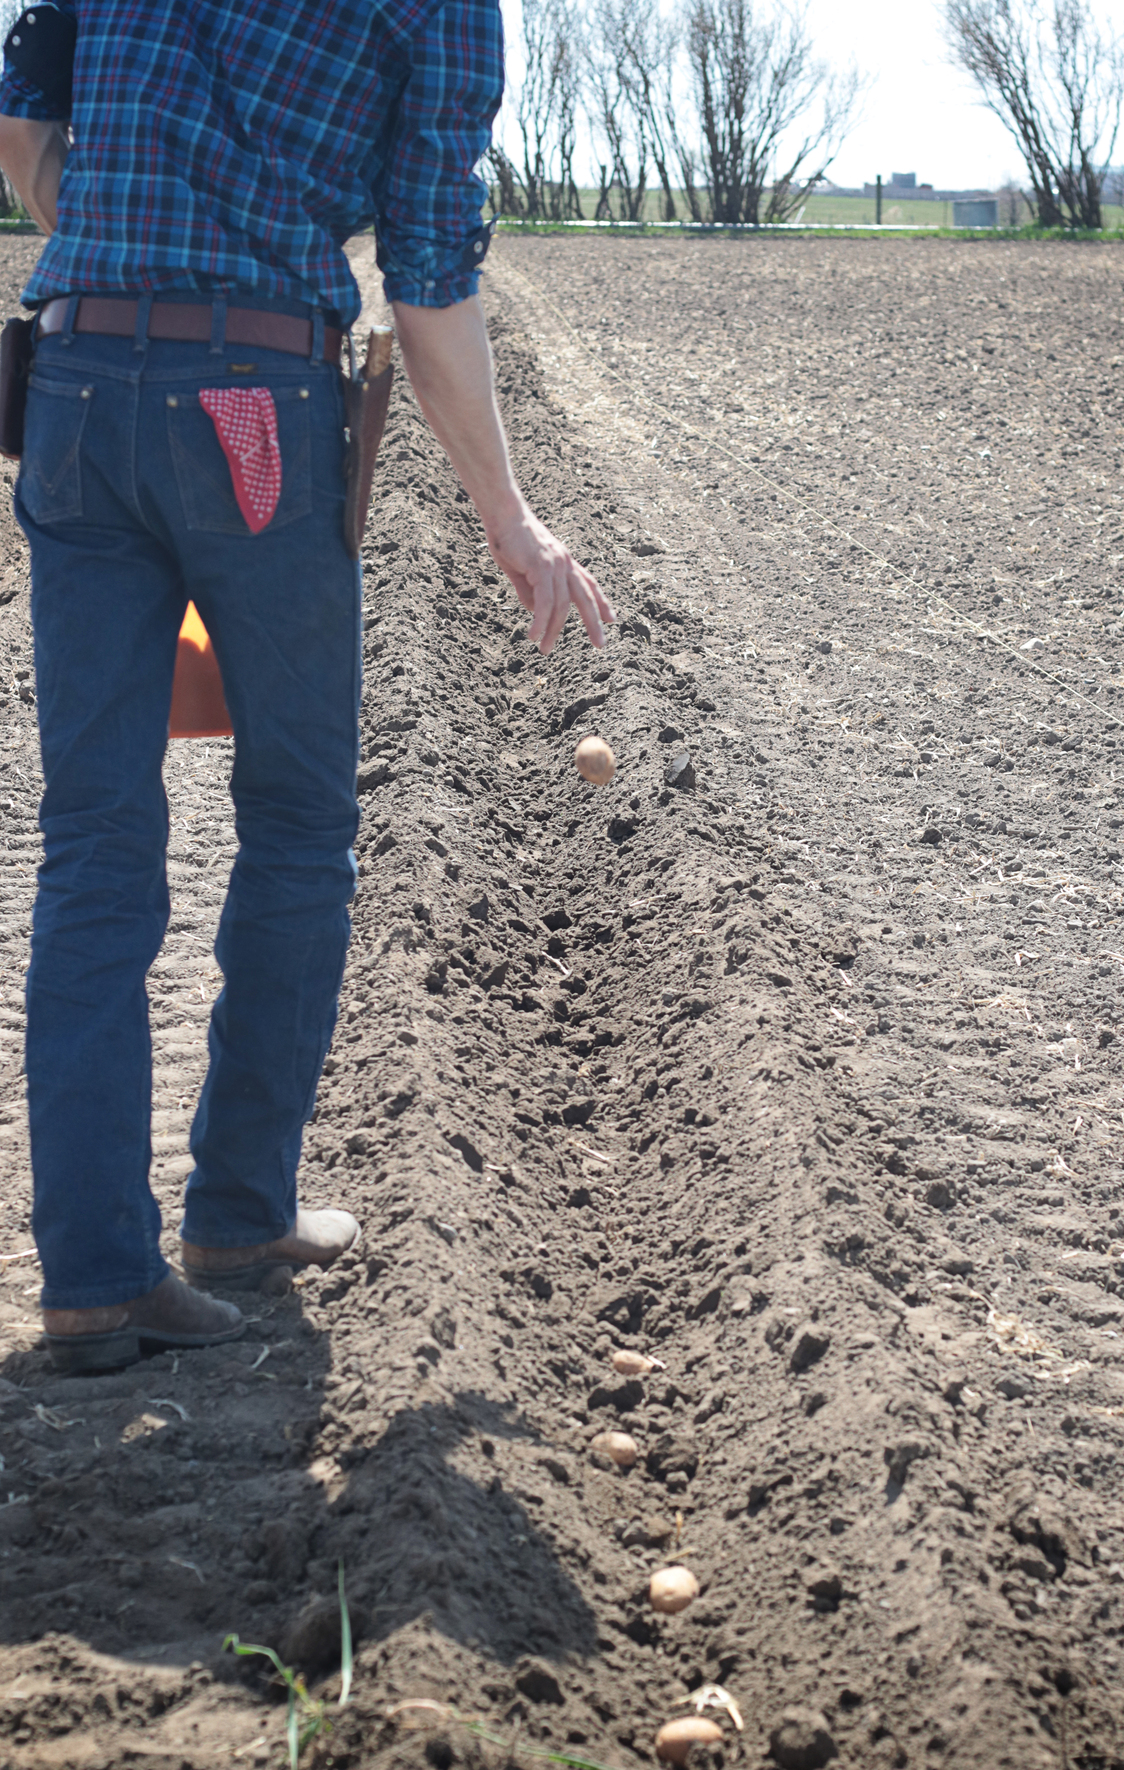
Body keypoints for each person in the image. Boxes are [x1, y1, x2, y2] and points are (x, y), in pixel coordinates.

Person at [0, 0, 612, 1375]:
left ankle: (93, 1279)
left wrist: (117, 228)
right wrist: (512, 523)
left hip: (75, 390)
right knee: (297, 819)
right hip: (250, 415)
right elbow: (430, 277)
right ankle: (235, 1211)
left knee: (92, 844)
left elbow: (23, 110)